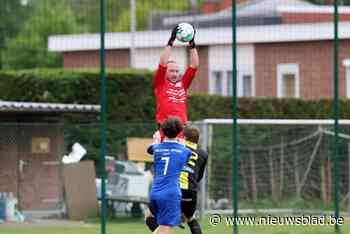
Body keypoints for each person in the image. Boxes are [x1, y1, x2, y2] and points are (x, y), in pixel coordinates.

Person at [146, 125, 208, 234]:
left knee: (151, 217)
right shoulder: (203, 154)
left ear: (183, 136)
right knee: (191, 219)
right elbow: (199, 176)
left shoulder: (177, 148)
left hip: (171, 189)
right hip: (190, 192)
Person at [153, 24, 199, 141]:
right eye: (172, 71)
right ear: (165, 72)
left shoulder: (183, 84)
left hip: (182, 129)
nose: (175, 74)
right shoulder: (160, 83)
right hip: (166, 129)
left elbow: (194, 65)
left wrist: (192, 44)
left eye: (177, 71)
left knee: (181, 158)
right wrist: (171, 41)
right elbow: (163, 63)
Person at [147, 117, 192, 234]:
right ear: (180, 132)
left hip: (155, 193)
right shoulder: (185, 151)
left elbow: (151, 148)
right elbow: (186, 157)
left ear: (162, 130)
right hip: (170, 194)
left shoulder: (156, 148)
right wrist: (182, 143)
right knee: (165, 230)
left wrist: (156, 140)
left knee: (161, 228)